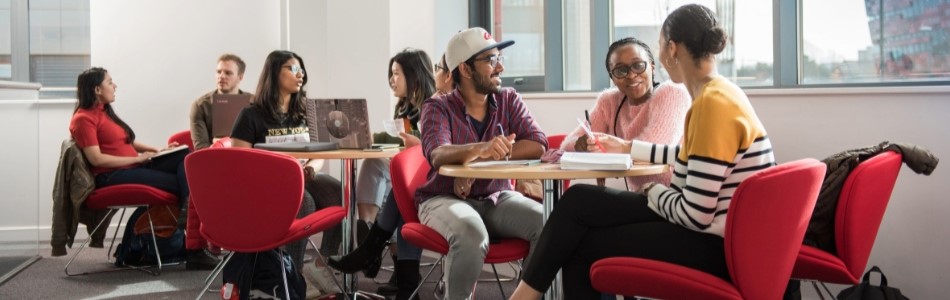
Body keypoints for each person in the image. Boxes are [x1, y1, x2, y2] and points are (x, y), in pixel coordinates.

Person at [509, 4, 776, 299]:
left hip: (713, 245)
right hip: (722, 235)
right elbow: (692, 158)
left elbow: (695, 215)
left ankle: (523, 296)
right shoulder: (721, 93)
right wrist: (628, 147)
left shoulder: (711, 104)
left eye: (659, 46)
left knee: (578, 242)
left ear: (671, 49)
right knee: (578, 200)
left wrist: (653, 192)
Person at [417, 27, 547, 299]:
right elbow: (437, 154)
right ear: (465, 69)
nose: (500, 66)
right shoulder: (437, 107)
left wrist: (485, 158)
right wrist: (481, 149)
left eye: (499, 58)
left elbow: (538, 143)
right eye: (490, 60)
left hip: (497, 196)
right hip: (443, 197)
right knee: (471, 234)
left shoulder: (509, 99)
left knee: (547, 224)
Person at [68, 67, 219, 270]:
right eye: (110, 82)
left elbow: (127, 141)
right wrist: (138, 159)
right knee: (188, 184)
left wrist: (159, 150)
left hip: (133, 166)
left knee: (187, 157)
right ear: (97, 89)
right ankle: (194, 246)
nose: (115, 86)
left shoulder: (104, 112)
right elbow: (96, 159)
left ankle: (189, 224)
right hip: (112, 175)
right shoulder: (83, 119)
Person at [327, 49, 448, 300]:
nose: (391, 80)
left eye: (396, 73)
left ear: (413, 75)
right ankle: (401, 280)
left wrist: (411, 144)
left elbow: (422, 145)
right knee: (397, 192)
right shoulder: (406, 107)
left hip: (432, 180)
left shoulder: (434, 105)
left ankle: (369, 240)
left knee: (392, 183)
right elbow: (399, 140)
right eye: (390, 74)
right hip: (412, 180)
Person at [229, 50, 343, 296]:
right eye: (293, 69)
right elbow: (240, 163)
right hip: (267, 184)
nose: (300, 74)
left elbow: (319, 153)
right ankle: (294, 275)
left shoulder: (305, 113)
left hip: (303, 176)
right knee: (304, 201)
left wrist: (311, 167)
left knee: (339, 193)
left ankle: (321, 264)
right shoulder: (251, 115)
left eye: (301, 69)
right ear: (274, 73)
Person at [560, 37, 690, 191]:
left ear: (652, 67)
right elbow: (565, 147)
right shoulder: (609, 101)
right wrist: (581, 145)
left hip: (672, 195)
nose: (631, 75)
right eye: (621, 70)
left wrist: (608, 150)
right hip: (642, 195)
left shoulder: (672, 92)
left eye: (638, 65)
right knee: (578, 194)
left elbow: (653, 148)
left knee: (577, 194)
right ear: (613, 78)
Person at [190, 53, 251, 150]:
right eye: (218, 72)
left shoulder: (253, 103)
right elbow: (201, 148)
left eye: (228, 73)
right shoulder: (200, 106)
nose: (221, 76)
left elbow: (262, 141)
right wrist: (217, 145)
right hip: (215, 156)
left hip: (247, 155)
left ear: (240, 77)